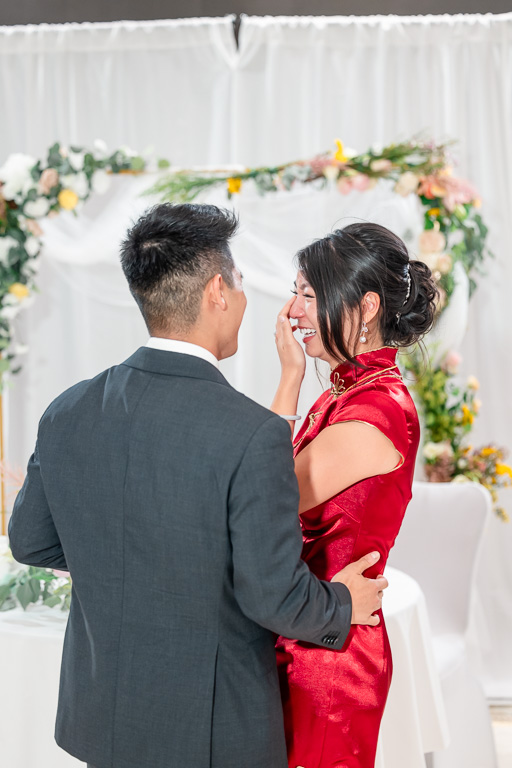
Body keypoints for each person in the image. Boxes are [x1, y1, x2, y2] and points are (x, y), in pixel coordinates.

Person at [9, 203, 388, 768]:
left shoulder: (67, 410)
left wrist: (131, 557)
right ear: (217, 290)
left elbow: (30, 541)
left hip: (103, 721)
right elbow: (272, 594)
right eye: (239, 282)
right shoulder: (250, 433)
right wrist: (342, 603)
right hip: (211, 732)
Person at [272, 222, 438, 768]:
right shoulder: (347, 394)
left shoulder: (378, 409)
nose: (293, 311)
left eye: (309, 295)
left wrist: (289, 382)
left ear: (365, 307)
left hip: (325, 659)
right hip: (305, 635)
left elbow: (263, 499)